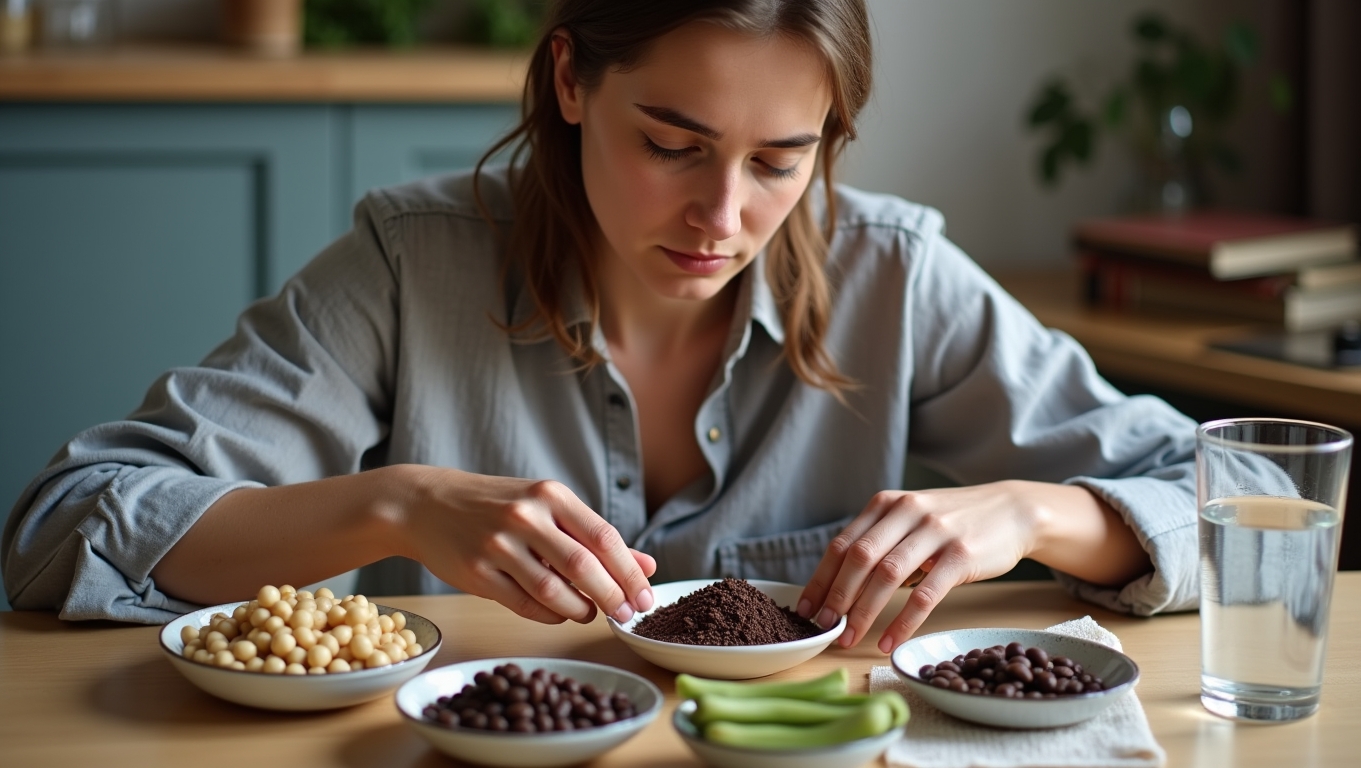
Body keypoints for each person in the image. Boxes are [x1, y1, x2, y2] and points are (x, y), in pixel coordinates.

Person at [2, 0, 1199, 654]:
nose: (722, 217)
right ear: (571, 81)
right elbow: (64, 530)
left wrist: (1032, 512)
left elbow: (1228, 494)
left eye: (780, 162)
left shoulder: (892, 272)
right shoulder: (407, 265)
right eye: (670, 146)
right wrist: (395, 503)